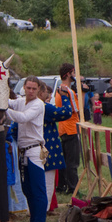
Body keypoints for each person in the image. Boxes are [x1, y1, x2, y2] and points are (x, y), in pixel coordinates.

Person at [6, 76, 47, 222]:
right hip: (23, 151)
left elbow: (23, 118)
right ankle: (33, 220)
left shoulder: (38, 105)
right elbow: (9, 102)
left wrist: (4, 109)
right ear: (24, 87)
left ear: (38, 90)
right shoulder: (21, 101)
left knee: (38, 188)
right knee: (27, 188)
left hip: (35, 150)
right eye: (28, 88)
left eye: (34, 89)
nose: (30, 91)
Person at [39, 83, 72, 213]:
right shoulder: (44, 107)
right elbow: (66, 112)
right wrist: (64, 97)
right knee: (47, 183)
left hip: (33, 147)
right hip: (46, 148)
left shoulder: (27, 105)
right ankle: (43, 211)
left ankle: (40, 210)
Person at [55, 63, 80, 195]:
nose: (75, 75)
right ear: (68, 74)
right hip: (71, 129)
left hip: (63, 128)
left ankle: (62, 185)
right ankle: (72, 187)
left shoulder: (59, 89)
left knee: (65, 161)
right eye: (73, 72)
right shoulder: (68, 91)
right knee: (72, 162)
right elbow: (76, 109)